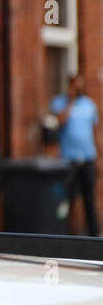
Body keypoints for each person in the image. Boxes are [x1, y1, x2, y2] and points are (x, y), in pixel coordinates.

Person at [50, 75, 100, 237]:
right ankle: (66, 235)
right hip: (68, 160)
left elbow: (94, 132)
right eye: (75, 86)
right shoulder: (60, 103)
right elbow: (60, 121)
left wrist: (98, 155)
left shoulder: (89, 105)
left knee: (89, 200)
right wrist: (70, 101)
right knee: (66, 200)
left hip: (87, 158)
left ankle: (94, 237)